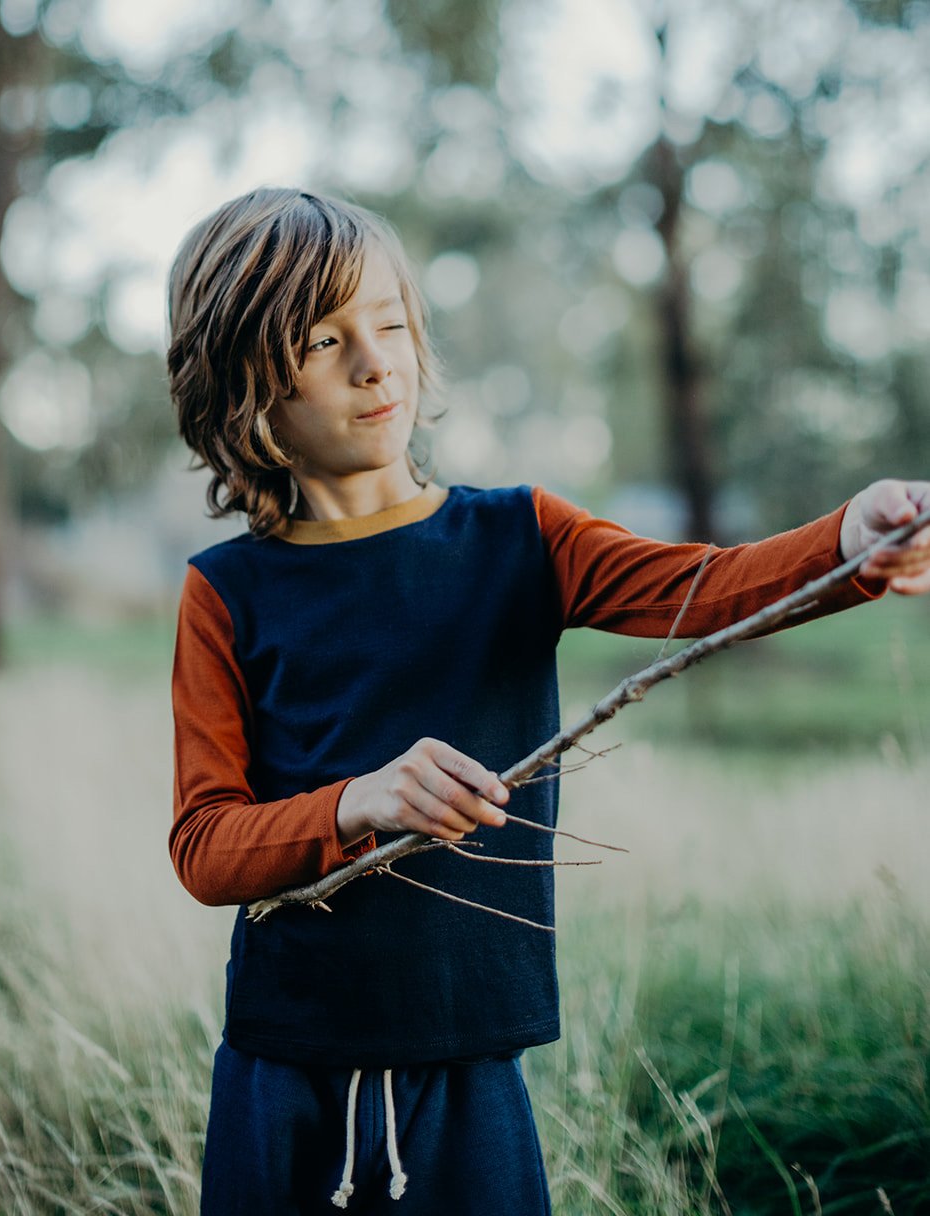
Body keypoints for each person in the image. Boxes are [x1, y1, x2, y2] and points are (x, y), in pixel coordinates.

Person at [165, 186, 930, 1216]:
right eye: (321, 340)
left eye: (388, 323)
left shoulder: (518, 536)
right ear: (242, 385)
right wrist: (360, 802)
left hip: (471, 1059)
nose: (372, 361)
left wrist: (846, 541)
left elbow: (700, 587)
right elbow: (206, 844)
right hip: (284, 1070)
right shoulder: (224, 592)